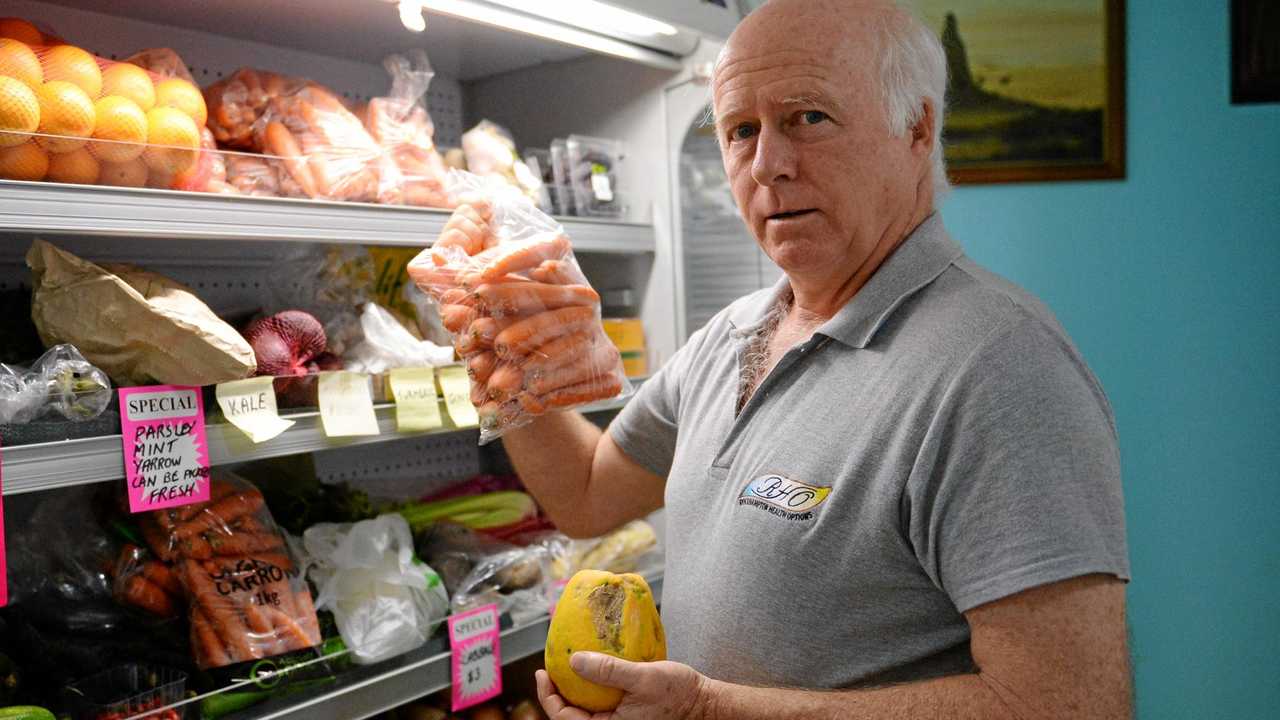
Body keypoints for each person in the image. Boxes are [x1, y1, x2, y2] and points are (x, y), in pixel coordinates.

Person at [444, 0, 1132, 717]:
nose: (767, 164)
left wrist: (710, 710)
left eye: (809, 118)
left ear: (917, 129)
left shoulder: (1000, 369)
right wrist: (497, 341)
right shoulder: (729, 337)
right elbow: (586, 495)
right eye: (741, 131)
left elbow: (1067, 705)